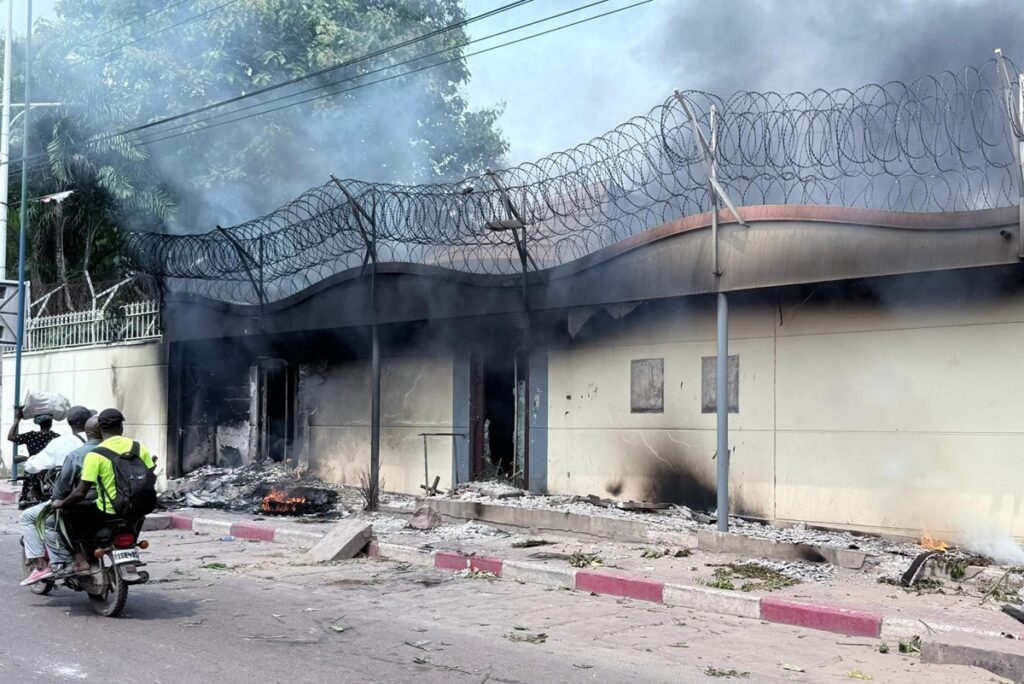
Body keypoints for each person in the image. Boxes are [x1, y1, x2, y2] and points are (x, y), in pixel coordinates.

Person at [50, 409, 156, 575]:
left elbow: (80, 493)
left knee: (66, 514)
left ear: (99, 429)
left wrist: (61, 503)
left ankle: (79, 560)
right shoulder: (138, 447)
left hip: (109, 510)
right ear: (121, 426)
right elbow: (152, 475)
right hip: (140, 507)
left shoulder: (96, 455)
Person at [20, 414, 101, 586]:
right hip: (112, 505)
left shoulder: (70, 448)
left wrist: (58, 501)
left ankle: (46, 566)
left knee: (40, 519)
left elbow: (38, 468)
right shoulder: (117, 448)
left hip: (81, 502)